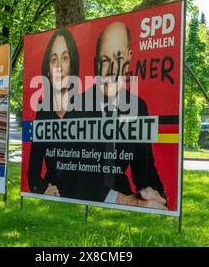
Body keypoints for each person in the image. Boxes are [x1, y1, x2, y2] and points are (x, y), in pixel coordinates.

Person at [80, 21, 168, 210]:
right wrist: (122, 200)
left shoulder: (138, 107)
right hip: (87, 198)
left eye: (118, 58)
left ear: (129, 58)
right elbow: (71, 175)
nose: (111, 70)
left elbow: (144, 168)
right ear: (96, 62)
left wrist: (160, 199)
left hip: (123, 193)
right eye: (104, 60)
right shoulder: (76, 106)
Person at [27, 28, 80, 197]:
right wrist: (43, 190)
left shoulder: (87, 108)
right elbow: (32, 173)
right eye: (53, 60)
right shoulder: (43, 112)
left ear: (71, 66)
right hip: (54, 197)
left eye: (64, 58)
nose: (58, 67)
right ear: (48, 72)